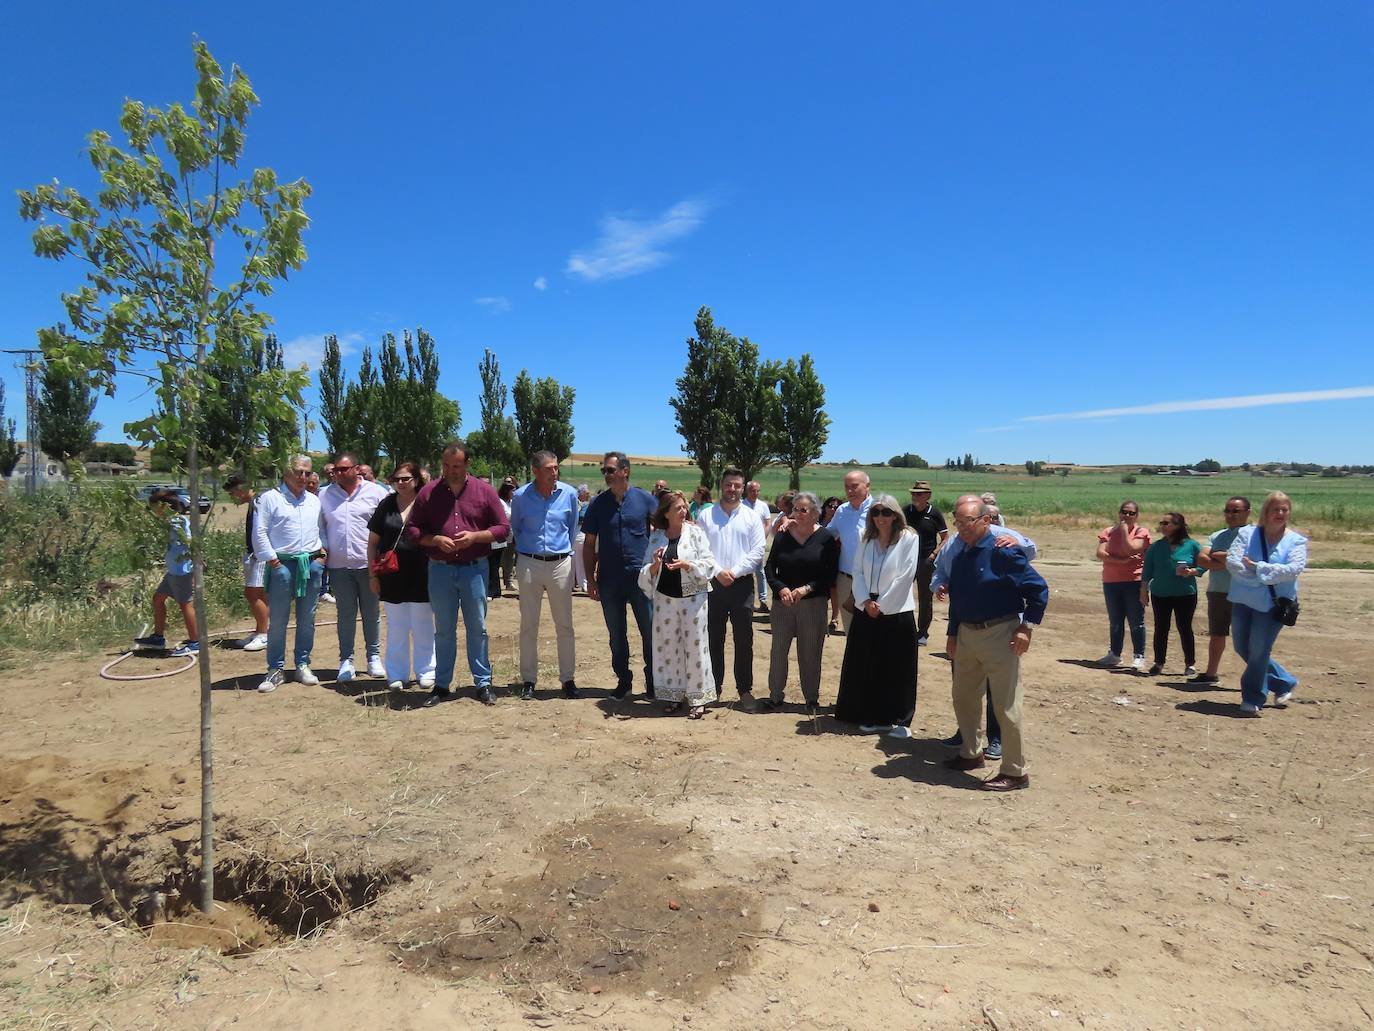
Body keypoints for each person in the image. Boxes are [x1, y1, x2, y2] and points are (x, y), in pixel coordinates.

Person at [942, 500, 1048, 792]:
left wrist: (1027, 627)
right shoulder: (961, 554)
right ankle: (971, 752)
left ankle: (1015, 771)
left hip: (1001, 633)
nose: (962, 528)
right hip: (966, 634)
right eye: (958, 522)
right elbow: (958, 598)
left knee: (1006, 704)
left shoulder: (1005, 552)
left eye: (968, 522)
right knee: (963, 697)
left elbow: (1038, 590)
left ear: (986, 521)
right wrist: (952, 634)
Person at [407, 441, 510, 707]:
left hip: (475, 569)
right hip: (440, 570)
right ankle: (442, 685)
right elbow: (413, 530)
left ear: (467, 465)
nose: (451, 470)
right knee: (443, 630)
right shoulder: (429, 493)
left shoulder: (484, 491)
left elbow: (502, 528)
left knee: (478, 627)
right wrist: (435, 540)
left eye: (456, 465)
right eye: (446, 465)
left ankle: (483, 683)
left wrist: (476, 536)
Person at [835, 495, 921, 737]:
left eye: (886, 512)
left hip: (896, 610)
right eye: (876, 512)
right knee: (866, 663)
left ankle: (899, 720)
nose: (880, 517)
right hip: (866, 607)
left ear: (895, 514)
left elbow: (906, 575)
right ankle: (868, 714)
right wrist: (864, 601)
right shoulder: (867, 537)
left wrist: (881, 605)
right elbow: (857, 570)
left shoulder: (908, 538)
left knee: (897, 667)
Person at [582, 452, 657, 699]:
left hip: (641, 580)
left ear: (625, 471)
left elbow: (664, 530)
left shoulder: (645, 500)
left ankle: (653, 682)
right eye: (604, 471)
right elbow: (589, 543)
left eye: (610, 470)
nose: (607, 475)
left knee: (650, 632)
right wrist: (590, 580)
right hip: (610, 580)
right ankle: (623, 681)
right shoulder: (598, 504)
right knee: (616, 635)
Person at [1226, 492, 1307, 716]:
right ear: (1266, 512)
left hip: (1275, 604)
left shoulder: (1296, 541)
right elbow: (1233, 563)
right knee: (1243, 647)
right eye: (1276, 509)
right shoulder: (1247, 533)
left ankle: (1252, 697)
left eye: (1285, 509)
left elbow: (1293, 570)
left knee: (1259, 649)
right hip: (1243, 600)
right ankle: (1283, 681)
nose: (1280, 513)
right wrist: (1265, 575)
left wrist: (1258, 568)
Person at [639, 490, 718, 718]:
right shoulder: (656, 537)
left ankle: (698, 699)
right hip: (665, 600)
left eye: (684, 507)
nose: (684, 511)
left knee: (695, 648)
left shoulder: (695, 533)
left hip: (693, 599)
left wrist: (687, 565)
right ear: (666, 513)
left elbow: (709, 565)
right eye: (678, 508)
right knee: (668, 647)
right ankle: (673, 695)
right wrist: (654, 565)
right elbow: (644, 573)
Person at [252, 455, 326, 693]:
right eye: (298, 472)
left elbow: (321, 530)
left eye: (307, 473)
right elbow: (259, 532)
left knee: (307, 619)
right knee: (279, 621)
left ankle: (303, 664)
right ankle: (275, 668)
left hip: (311, 564)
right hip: (281, 565)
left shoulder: (314, 501)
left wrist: (321, 557)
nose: (303, 477)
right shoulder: (269, 499)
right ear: (285, 472)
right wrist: (274, 562)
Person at [509, 451, 581, 700]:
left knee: (564, 624)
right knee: (529, 625)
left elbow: (572, 529)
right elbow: (516, 527)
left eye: (556, 468)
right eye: (549, 468)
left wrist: (565, 554)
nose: (554, 473)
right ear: (535, 471)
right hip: (529, 563)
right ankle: (529, 680)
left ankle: (568, 679)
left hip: (561, 564)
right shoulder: (520, 497)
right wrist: (531, 550)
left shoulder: (569, 494)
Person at [762, 492, 840, 712]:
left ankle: (811, 698)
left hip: (813, 603)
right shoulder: (783, 535)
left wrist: (807, 588)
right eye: (794, 509)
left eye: (802, 510)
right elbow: (770, 567)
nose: (796, 513)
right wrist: (781, 588)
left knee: (810, 652)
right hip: (783, 602)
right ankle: (775, 695)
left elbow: (830, 573)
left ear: (815, 513)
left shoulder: (825, 538)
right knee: (778, 651)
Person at [696, 467, 766, 708]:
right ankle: (713, 688)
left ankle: (744, 690)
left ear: (743, 487)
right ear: (721, 486)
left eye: (737, 485)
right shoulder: (706, 516)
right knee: (713, 638)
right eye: (728, 485)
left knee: (743, 639)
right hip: (713, 585)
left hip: (742, 585)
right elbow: (700, 548)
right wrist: (717, 571)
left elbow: (758, 551)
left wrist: (734, 572)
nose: (733, 489)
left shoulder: (751, 517)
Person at [320, 452, 390, 682]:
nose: (338, 473)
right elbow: (319, 527)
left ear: (356, 468)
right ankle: (346, 661)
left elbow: (388, 524)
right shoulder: (325, 495)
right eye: (336, 470)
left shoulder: (376, 492)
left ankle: (373, 658)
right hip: (339, 567)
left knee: (371, 613)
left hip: (367, 565)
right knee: (346, 614)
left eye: (343, 469)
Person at [366, 462, 435, 691]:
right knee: (396, 626)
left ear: (416, 479)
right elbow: (373, 543)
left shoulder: (427, 502)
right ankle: (397, 673)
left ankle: (427, 671)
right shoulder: (386, 504)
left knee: (423, 625)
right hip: (392, 574)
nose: (401, 483)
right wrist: (372, 575)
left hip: (422, 572)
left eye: (406, 478)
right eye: (397, 479)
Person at [133, 490, 200, 657]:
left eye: (155, 507)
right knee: (158, 599)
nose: (154, 511)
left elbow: (190, 543)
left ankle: (195, 642)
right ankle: (158, 637)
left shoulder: (177, 522)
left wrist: (196, 565)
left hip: (181, 571)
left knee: (185, 605)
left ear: (165, 507)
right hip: (173, 571)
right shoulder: (170, 521)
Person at [1193, 497, 1252, 683]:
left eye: (1236, 511)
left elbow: (1249, 560)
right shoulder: (1217, 535)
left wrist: (1218, 556)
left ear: (1247, 512)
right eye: (1227, 511)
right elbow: (1201, 560)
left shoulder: (1255, 535)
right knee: (1217, 634)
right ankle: (1211, 673)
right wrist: (1232, 560)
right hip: (1218, 590)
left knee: (1248, 639)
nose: (1231, 515)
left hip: (1246, 591)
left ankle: (1259, 676)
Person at [1140, 512, 1204, 675]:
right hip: (1160, 593)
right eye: (1161, 523)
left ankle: (1190, 664)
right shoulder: (1156, 547)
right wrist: (1143, 590)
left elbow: (1204, 564)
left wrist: (1192, 572)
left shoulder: (1192, 545)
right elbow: (1147, 570)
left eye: (1166, 523)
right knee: (1161, 628)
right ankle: (1159, 662)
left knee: (1185, 628)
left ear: (1178, 526)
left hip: (1185, 594)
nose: (1163, 526)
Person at [1096, 500, 1150, 671]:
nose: (1126, 515)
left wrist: (1125, 531)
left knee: (1136, 620)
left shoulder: (1141, 532)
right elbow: (1100, 553)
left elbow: (1132, 549)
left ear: (1137, 515)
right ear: (1119, 513)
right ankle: (1115, 654)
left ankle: (1138, 656)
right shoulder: (1108, 531)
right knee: (1115, 620)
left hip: (1133, 581)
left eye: (1131, 513)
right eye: (1124, 512)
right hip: (1111, 581)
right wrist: (1123, 561)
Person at [224, 474, 268, 651]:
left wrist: (260, 552)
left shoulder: (259, 502)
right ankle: (260, 630)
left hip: (259, 555)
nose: (234, 497)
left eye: (234, 493)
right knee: (258, 594)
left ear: (241, 488)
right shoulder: (254, 503)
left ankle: (264, 634)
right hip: (254, 554)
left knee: (253, 593)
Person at [902, 480, 949, 647]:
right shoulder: (906, 511)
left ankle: (922, 633)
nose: (915, 496)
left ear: (928, 495)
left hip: (925, 560)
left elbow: (945, 538)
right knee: (901, 593)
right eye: (913, 493)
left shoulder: (934, 513)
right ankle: (903, 629)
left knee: (924, 597)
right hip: (906, 559)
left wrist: (933, 555)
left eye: (919, 493)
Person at [828, 470, 874, 633]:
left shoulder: (879, 511)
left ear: (867, 486)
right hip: (845, 581)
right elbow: (829, 534)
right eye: (846, 487)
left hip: (871, 582)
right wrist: (802, 527)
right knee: (850, 632)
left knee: (871, 632)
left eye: (854, 487)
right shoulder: (842, 511)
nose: (849, 491)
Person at [744, 480, 772, 611]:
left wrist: (761, 539)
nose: (755, 493)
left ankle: (763, 601)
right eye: (752, 490)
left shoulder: (763, 506)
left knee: (760, 572)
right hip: (744, 545)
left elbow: (767, 523)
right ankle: (745, 600)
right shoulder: (741, 505)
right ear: (747, 491)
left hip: (758, 545)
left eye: (757, 491)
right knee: (744, 573)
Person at [488, 476, 518, 598]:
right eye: (512, 491)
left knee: (509, 560)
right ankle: (495, 588)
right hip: (501, 536)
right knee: (497, 562)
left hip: (512, 535)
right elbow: (505, 517)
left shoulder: (512, 502)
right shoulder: (500, 502)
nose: (514, 493)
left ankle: (508, 581)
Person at [819, 495, 843, 632]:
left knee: (834, 589)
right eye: (830, 506)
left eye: (836, 507)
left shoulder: (840, 522)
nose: (833, 509)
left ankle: (834, 618)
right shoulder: (818, 520)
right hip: (819, 558)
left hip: (836, 557)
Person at [572, 483, 591, 593]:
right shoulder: (577, 504)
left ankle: (582, 584)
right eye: (586, 493)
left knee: (579, 561)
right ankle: (581, 584)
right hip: (576, 534)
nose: (588, 495)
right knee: (575, 561)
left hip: (582, 534)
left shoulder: (586, 504)